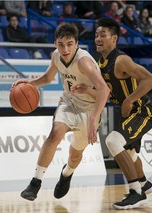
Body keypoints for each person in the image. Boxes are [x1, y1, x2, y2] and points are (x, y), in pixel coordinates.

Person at [17, 22, 110, 201]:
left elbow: (104, 90)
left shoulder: (83, 61)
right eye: (61, 44)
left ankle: (67, 174)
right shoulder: (56, 56)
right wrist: (26, 84)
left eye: (69, 44)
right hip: (69, 102)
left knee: (75, 155)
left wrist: (94, 119)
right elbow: (47, 78)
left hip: (90, 109)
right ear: (55, 44)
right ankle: (35, 183)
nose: (65, 49)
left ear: (76, 44)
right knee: (55, 133)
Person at [74, 18, 152, 210]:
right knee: (129, 153)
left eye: (103, 35)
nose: (98, 38)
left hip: (142, 112)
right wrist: (87, 89)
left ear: (114, 38)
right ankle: (144, 183)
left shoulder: (121, 60)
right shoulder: (102, 64)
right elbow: (107, 94)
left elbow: (150, 80)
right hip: (128, 113)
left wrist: (129, 100)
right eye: (96, 35)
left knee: (112, 141)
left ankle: (137, 192)